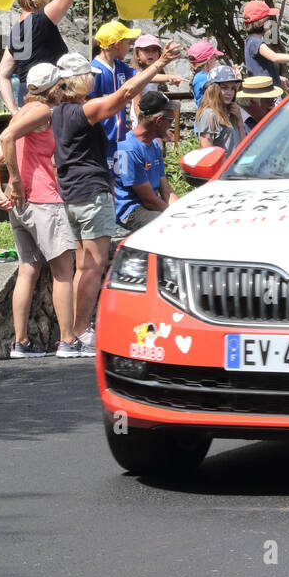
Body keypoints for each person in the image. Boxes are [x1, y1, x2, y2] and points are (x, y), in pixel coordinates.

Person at [52, 42, 180, 350]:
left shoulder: (57, 112)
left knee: (82, 265)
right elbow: (122, 96)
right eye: (89, 75)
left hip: (71, 192)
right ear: (79, 80)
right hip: (91, 192)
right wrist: (158, 64)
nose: (94, 79)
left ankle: (71, 334)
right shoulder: (80, 111)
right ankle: (81, 332)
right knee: (93, 266)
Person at [0, 63, 80, 358]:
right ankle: (68, 340)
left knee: (28, 269)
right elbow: (5, 140)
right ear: (55, 87)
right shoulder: (41, 112)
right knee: (64, 270)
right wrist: (14, 180)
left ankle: (21, 343)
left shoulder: (23, 112)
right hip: (41, 199)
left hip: (19, 204)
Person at [114, 91, 179, 232]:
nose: (171, 126)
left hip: (149, 206)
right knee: (171, 227)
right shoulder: (128, 149)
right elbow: (148, 200)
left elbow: (166, 190)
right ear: (158, 121)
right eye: (170, 121)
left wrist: (181, 211)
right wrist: (174, 216)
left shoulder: (154, 145)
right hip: (131, 211)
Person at [90, 19, 141, 175]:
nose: (130, 46)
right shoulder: (94, 71)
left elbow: (140, 76)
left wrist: (168, 76)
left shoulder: (119, 66)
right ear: (118, 44)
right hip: (102, 140)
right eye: (128, 42)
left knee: (119, 178)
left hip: (119, 139)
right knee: (106, 178)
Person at [129, 33, 181, 123]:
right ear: (137, 55)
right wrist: (169, 77)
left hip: (153, 121)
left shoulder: (157, 73)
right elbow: (137, 107)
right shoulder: (137, 75)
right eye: (146, 50)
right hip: (142, 122)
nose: (150, 53)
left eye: (154, 50)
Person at [195, 64, 246, 155]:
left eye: (232, 88)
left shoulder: (231, 112)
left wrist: (239, 122)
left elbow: (244, 149)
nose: (230, 93)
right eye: (224, 87)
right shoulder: (209, 114)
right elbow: (206, 154)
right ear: (213, 88)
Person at [187, 39, 224, 107]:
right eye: (215, 57)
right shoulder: (202, 77)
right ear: (210, 60)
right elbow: (221, 91)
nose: (216, 60)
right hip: (208, 114)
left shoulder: (201, 76)